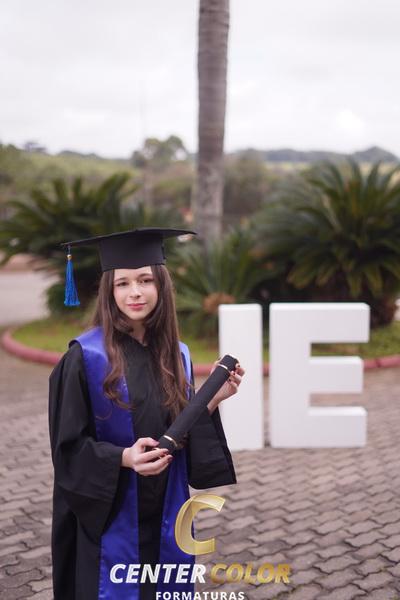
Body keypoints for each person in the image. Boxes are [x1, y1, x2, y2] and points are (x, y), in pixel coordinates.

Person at [48, 227, 244, 600]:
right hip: (113, 513)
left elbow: (176, 431)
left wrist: (212, 400)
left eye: (145, 280)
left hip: (168, 507)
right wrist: (124, 458)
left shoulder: (177, 353)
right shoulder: (84, 358)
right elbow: (67, 449)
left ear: (161, 285)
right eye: (122, 283)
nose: (134, 292)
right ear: (109, 291)